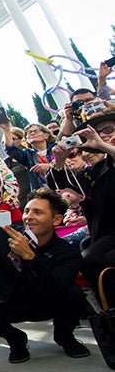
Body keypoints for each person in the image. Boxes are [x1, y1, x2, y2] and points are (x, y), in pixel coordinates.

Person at [0, 189, 90, 362]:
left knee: (76, 296)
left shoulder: (67, 252)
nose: (29, 217)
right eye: (27, 211)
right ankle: (15, 339)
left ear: (56, 220)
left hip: (43, 301)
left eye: (38, 212)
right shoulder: (3, 234)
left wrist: (30, 258)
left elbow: (56, 288)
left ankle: (64, 336)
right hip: (6, 300)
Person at [49, 111, 115, 298]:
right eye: (98, 132)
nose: (103, 135)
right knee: (88, 260)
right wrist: (60, 161)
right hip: (109, 233)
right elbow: (65, 189)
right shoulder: (94, 171)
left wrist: (102, 145)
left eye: (109, 129)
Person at [0, 120, 55, 190]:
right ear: (27, 139)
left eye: (36, 131)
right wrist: (6, 129)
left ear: (46, 135)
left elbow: (69, 163)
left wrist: (50, 166)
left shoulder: (57, 148)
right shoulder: (27, 155)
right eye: (29, 133)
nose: (32, 133)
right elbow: (11, 150)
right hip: (44, 193)